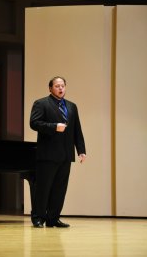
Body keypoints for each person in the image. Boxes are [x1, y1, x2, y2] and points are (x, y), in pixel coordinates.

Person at [29, 76, 86, 228]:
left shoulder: (72, 106)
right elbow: (34, 123)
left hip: (66, 155)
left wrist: (81, 150)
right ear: (50, 88)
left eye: (63, 86)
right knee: (43, 188)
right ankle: (38, 218)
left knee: (60, 189)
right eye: (57, 86)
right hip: (47, 154)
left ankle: (53, 218)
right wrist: (54, 126)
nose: (60, 88)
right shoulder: (41, 103)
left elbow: (76, 130)